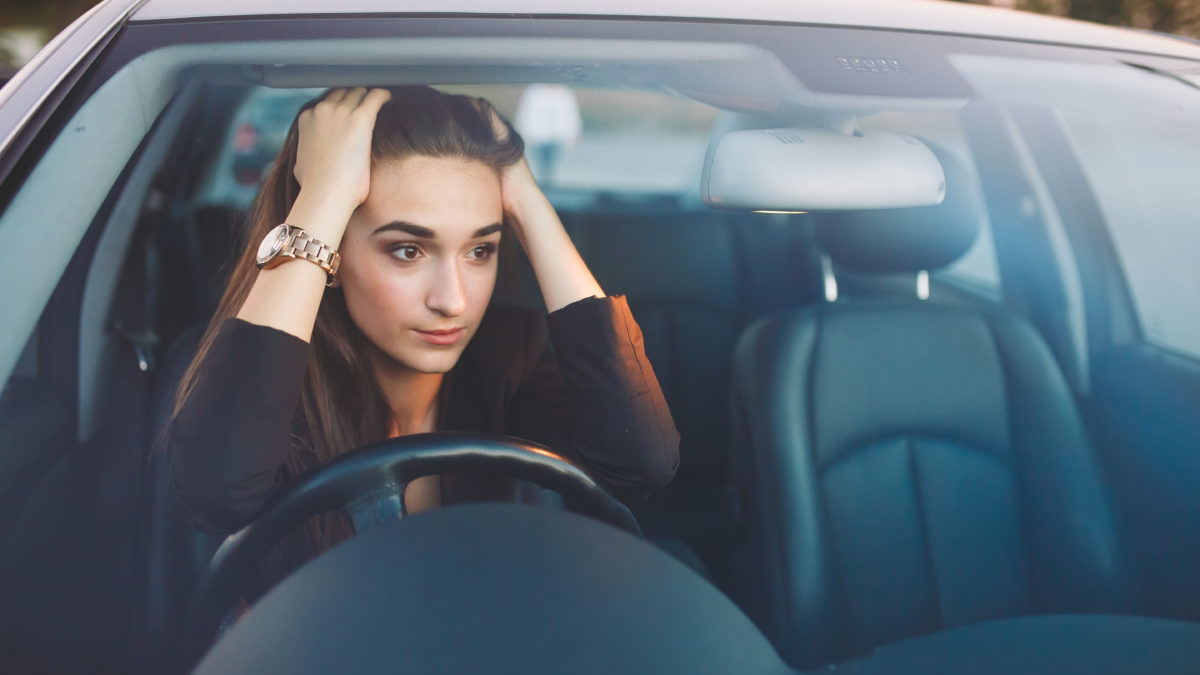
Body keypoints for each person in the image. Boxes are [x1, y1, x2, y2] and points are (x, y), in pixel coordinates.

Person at [165, 85, 679, 594]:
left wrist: (527, 199)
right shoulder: (264, 387)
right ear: (331, 251)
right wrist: (325, 194)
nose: (453, 301)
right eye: (408, 251)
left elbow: (641, 466)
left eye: (481, 250)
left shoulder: (507, 355)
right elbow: (216, 494)